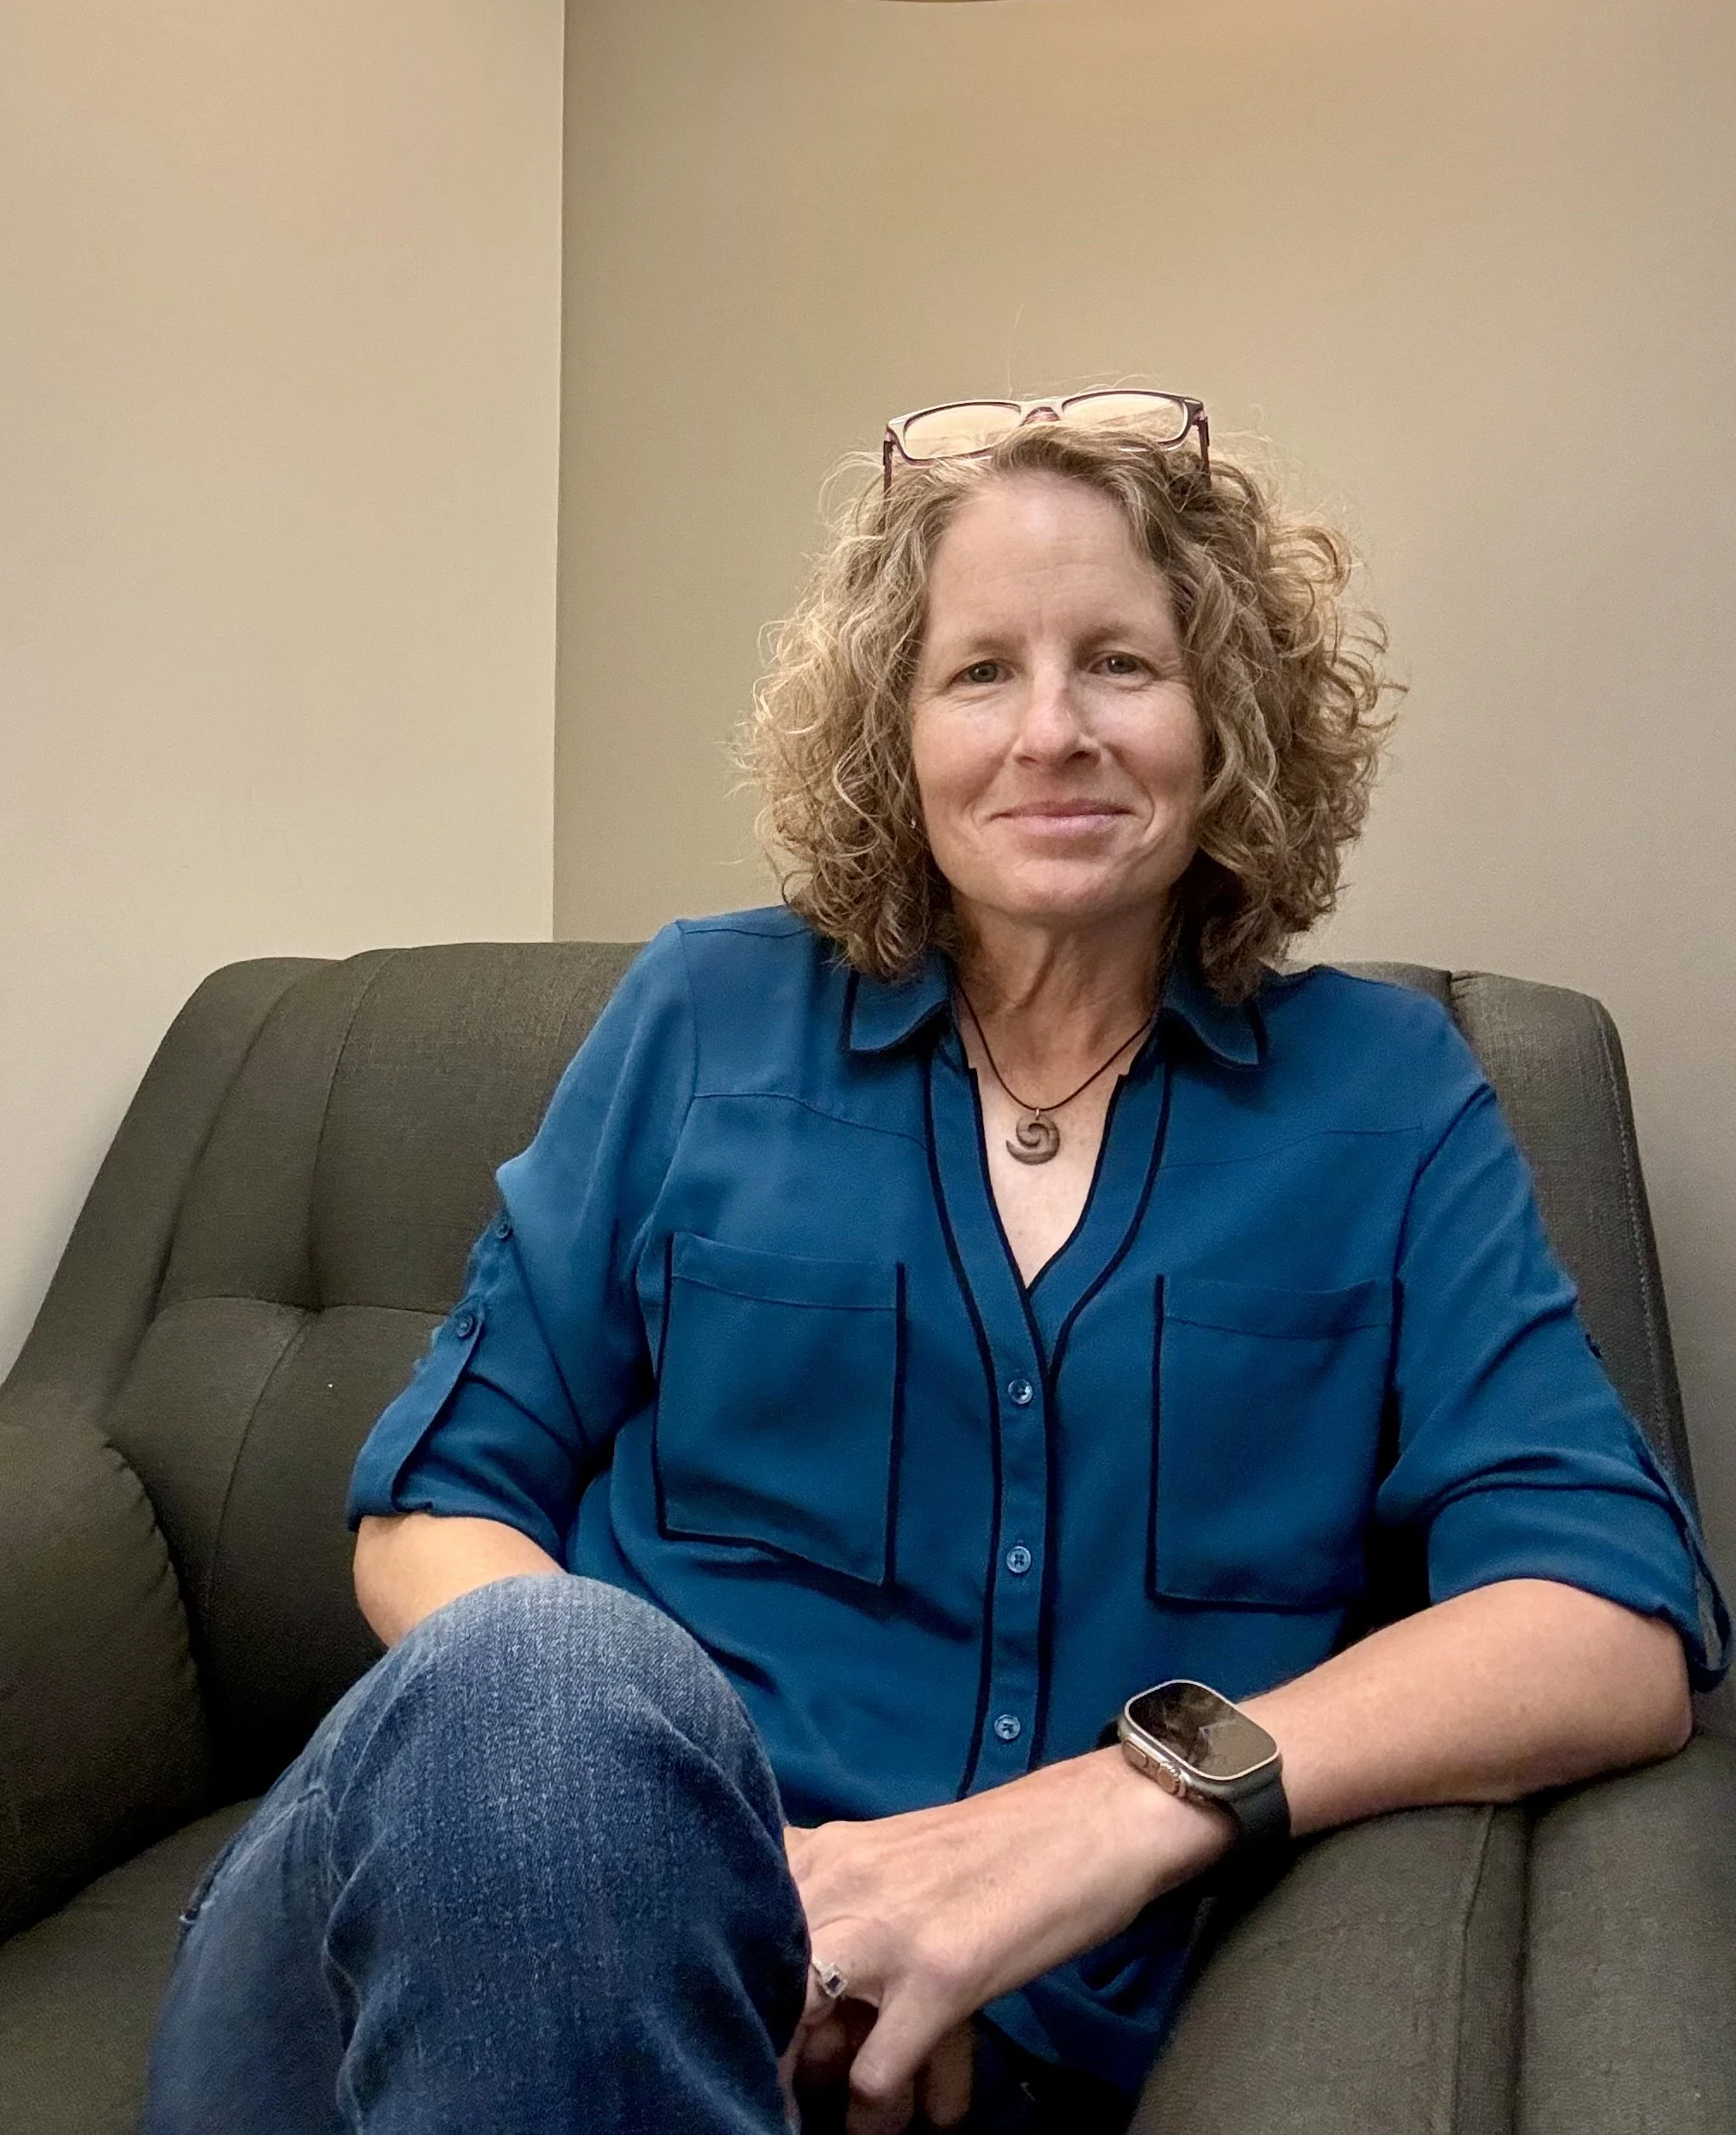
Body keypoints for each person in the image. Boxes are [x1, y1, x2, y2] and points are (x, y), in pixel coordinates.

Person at [146, 390, 1729, 2135]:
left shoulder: (1395, 1099)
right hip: (478, 1919)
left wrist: (1094, 1827)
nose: (1050, 731)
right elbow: (432, 1504)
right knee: (541, 1675)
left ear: (1232, 719)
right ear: (892, 732)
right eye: (979, 672)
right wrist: (755, 1907)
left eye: (1120, 662)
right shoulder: (701, 1015)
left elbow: (1611, 1621)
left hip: (1002, 2051)